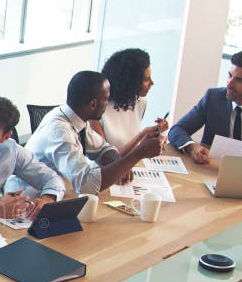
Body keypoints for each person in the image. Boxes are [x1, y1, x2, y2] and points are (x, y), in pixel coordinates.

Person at [21, 71, 163, 195]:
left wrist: (120, 164)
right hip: (29, 196)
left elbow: (103, 149)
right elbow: (85, 185)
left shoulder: (76, 118)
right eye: (106, 100)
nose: (107, 105)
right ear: (93, 104)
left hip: (58, 189)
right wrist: (139, 153)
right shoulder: (60, 132)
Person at [90, 48, 169, 153]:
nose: (152, 83)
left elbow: (131, 144)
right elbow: (107, 159)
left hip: (131, 166)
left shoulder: (140, 103)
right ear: (129, 82)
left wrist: (155, 136)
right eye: (146, 79)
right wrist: (143, 135)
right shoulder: (95, 110)